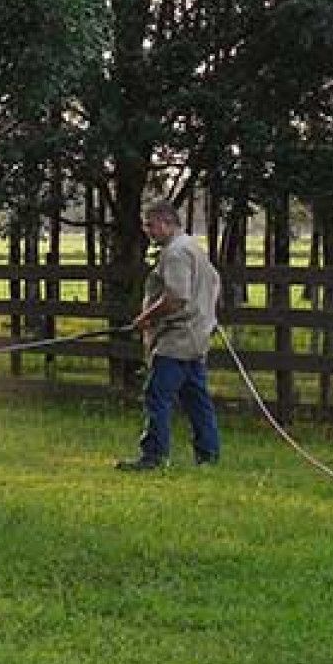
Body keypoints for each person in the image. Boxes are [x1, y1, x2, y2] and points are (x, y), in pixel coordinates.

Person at [116, 199, 221, 470]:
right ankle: (208, 455)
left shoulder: (175, 253)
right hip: (196, 336)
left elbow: (176, 298)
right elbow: (214, 282)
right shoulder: (193, 247)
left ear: (165, 222)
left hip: (177, 339)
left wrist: (145, 318)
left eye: (150, 225)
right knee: (196, 398)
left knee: (157, 395)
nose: (147, 231)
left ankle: (153, 457)